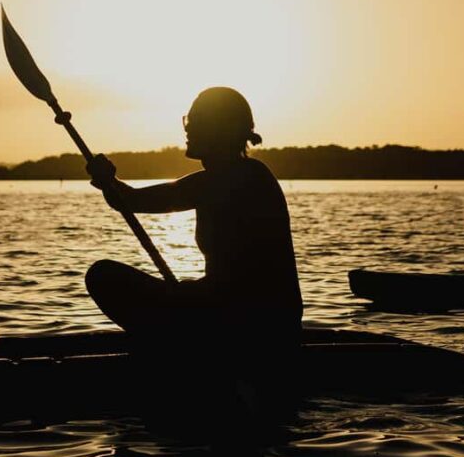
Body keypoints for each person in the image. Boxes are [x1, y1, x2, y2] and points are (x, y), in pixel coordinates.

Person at [85, 87, 302, 359]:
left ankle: (175, 352)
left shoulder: (240, 177)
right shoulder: (223, 178)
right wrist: (109, 183)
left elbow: (130, 200)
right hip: (232, 315)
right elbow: (126, 200)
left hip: (254, 326)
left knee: (103, 276)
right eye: (189, 119)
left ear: (219, 129)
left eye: (196, 121)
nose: (188, 129)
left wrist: (109, 181)